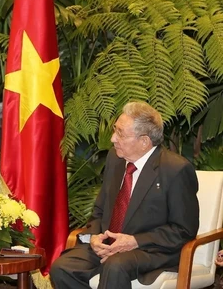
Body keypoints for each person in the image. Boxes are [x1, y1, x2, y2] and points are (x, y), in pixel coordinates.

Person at [50, 101, 199, 289]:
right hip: (109, 245)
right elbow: (100, 210)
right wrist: (94, 237)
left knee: (115, 266)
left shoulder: (175, 170)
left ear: (144, 141)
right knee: (62, 268)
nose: (112, 138)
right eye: (115, 129)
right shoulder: (115, 159)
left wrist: (134, 241)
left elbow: (183, 230)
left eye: (120, 133)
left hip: (150, 250)